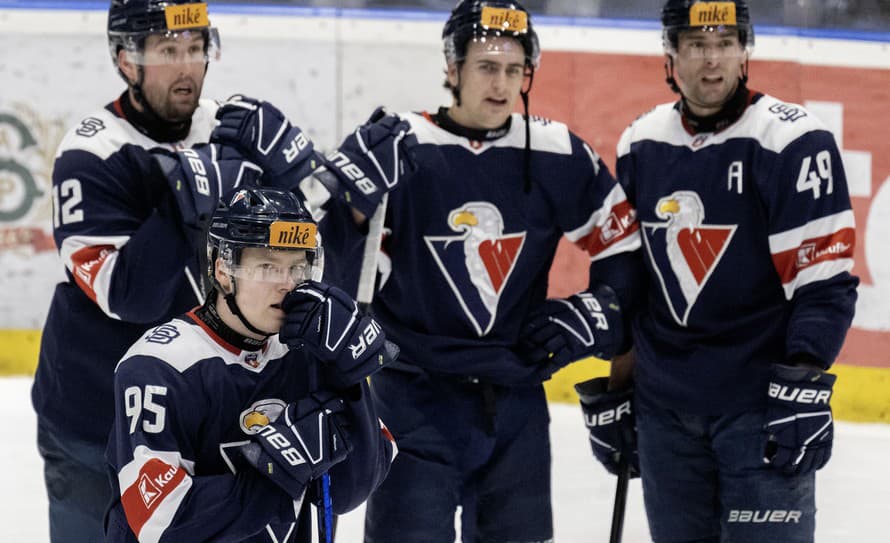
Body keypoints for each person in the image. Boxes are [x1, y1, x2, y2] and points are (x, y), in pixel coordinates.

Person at [289, 1, 640, 540]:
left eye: (513, 69)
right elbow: (339, 277)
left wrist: (598, 313)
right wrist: (352, 211)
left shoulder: (557, 152)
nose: (500, 83)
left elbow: (624, 248)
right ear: (452, 70)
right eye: (485, 66)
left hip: (517, 400)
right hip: (412, 402)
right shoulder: (402, 144)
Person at [29, 2, 324, 540]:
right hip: (93, 414)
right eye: (168, 50)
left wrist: (304, 175)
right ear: (125, 60)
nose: (186, 65)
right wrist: (182, 206)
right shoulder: (93, 153)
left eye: (195, 48)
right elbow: (125, 296)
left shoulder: (233, 130)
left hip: (206, 415)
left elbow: (311, 251)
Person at [576, 1, 859, 542]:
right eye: (697, 45)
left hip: (760, 413)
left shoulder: (792, 141)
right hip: (664, 415)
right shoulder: (642, 143)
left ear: (744, 52)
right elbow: (632, 284)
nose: (712, 61)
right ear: (672, 55)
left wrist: (803, 378)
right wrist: (619, 385)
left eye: (726, 44)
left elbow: (823, 281)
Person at [104, 187, 397, 542]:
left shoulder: (311, 352)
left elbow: (349, 493)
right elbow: (159, 520)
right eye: (268, 267)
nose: (288, 285)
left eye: (298, 267)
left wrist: (350, 379)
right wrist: (277, 472)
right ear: (224, 271)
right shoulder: (159, 366)